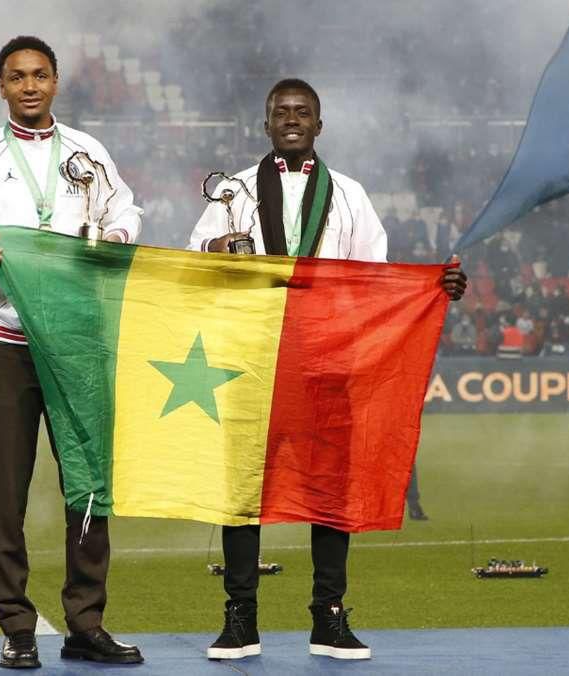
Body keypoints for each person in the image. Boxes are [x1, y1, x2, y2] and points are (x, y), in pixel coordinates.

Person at [188, 79, 467, 661]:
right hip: (252, 362)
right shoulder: (233, 191)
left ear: (319, 124)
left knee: (332, 492)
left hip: (328, 363)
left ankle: (329, 618)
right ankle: (240, 619)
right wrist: (220, 249)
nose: (292, 120)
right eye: (281, 113)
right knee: (242, 492)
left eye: (303, 112)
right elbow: (194, 264)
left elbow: (378, 281)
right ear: (265, 125)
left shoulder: (349, 195)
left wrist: (433, 288)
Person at [0, 35, 143, 669]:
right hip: (7, 342)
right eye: (17, 76)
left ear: (56, 82)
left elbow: (125, 210)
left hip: (77, 338)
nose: (29, 86)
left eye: (40, 75)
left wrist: (119, 233)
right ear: (1, 86)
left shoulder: (88, 152)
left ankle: (85, 621)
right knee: (6, 487)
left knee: (88, 482)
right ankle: (18, 626)